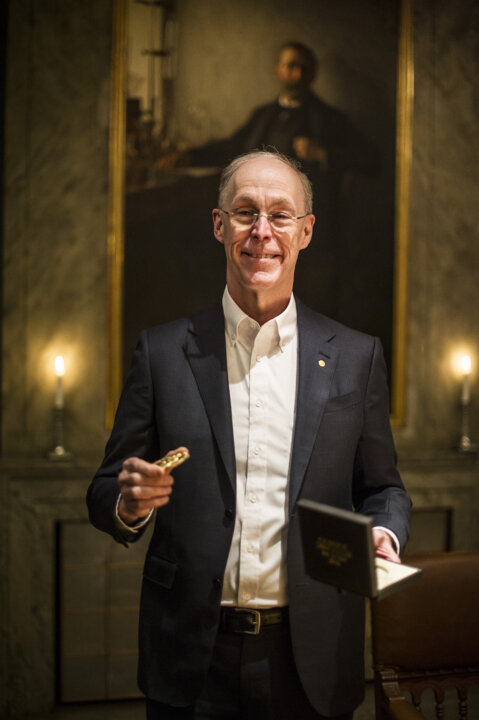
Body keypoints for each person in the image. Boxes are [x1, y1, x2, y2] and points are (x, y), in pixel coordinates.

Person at [87, 149, 411, 719]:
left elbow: (383, 488)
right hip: (189, 654)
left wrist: (383, 534)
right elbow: (105, 488)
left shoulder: (356, 357)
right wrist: (128, 503)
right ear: (220, 225)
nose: (262, 231)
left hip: (311, 656)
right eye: (245, 212)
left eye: (281, 215)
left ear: (306, 231)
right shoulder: (161, 353)